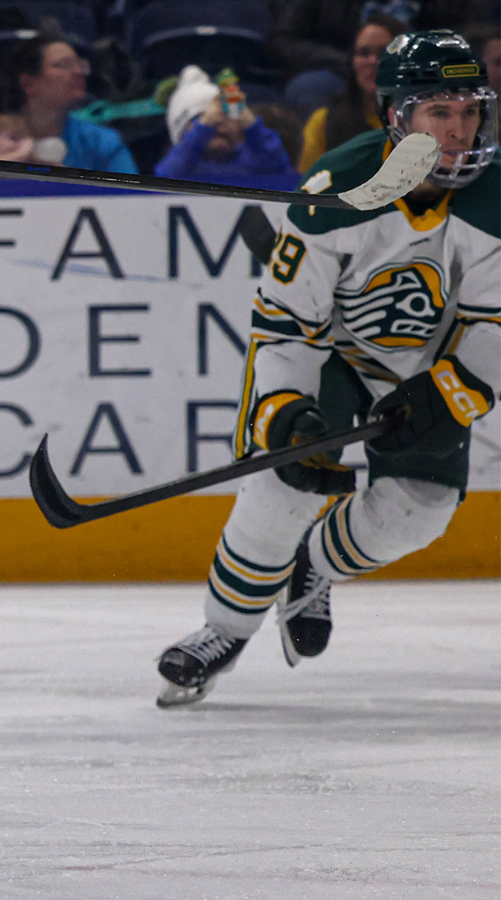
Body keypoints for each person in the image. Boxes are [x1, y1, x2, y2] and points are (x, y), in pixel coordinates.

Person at [154, 31, 498, 708]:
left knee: (419, 512)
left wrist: (450, 391)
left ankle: (311, 566)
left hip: (427, 364)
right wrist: (283, 408)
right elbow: (285, 323)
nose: (459, 131)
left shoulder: (498, 203)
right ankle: (222, 630)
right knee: (288, 486)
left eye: (469, 111)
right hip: (332, 353)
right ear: (396, 114)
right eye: (440, 113)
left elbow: (495, 323)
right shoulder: (335, 190)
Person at [0, 35, 137, 174]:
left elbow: (133, 197)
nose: (78, 72)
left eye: (80, 64)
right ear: (29, 83)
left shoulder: (101, 142)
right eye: (65, 65)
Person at [270, 0, 497, 112]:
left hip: (433, 73)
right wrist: (351, 60)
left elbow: (472, 31)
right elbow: (285, 37)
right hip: (338, 70)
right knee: (310, 88)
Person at [297, 15, 407, 172]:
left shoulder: (430, 122)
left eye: (384, 52)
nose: (372, 61)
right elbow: (306, 189)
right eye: (363, 53)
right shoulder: (323, 122)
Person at [156, 66, 293, 182]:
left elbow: (279, 171)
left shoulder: (253, 159)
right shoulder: (180, 163)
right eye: (204, 117)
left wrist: (251, 125)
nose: (219, 124)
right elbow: (166, 178)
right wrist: (203, 129)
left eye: (225, 115)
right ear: (181, 131)